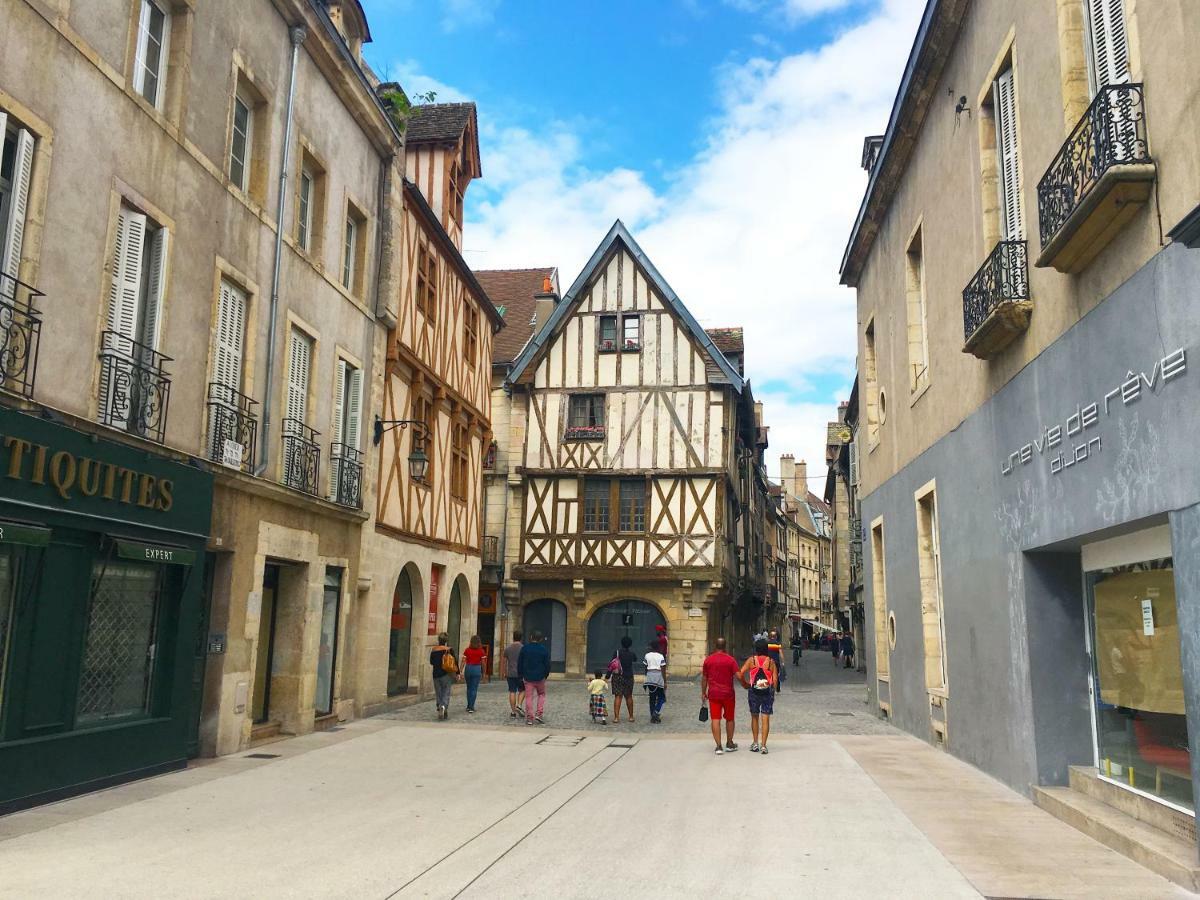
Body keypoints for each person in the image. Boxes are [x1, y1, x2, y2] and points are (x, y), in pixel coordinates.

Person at [701, 637, 740, 755]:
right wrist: (746, 684)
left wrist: (703, 692)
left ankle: (718, 746)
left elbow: (704, 678)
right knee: (730, 718)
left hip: (713, 693)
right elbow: (738, 675)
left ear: (715, 645)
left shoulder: (708, 660)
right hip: (728, 694)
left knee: (715, 719)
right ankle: (729, 743)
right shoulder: (731, 660)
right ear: (725, 646)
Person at [739, 637, 778, 754]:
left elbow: (740, 673)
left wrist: (745, 684)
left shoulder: (752, 660)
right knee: (765, 718)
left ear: (756, 649)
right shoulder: (771, 662)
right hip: (767, 692)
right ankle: (764, 745)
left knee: (754, 717)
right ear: (766, 649)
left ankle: (755, 743)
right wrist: (772, 692)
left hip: (753, 691)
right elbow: (775, 679)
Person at [517, 629, 551, 725]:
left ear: (531, 637)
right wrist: (546, 675)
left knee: (529, 697)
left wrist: (520, 675)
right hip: (540, 677)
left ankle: (529, 717)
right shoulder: (544, 650)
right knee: (541, 695)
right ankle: (539, 714)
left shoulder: (525, 648)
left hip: (528, 677)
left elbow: (520, 663)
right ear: (540, 639)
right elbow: (547, 664)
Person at [429, 633, 457, 720]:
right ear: (446, 641)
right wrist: (458, 673)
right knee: (446, 691)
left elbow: (431, 662)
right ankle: (443, 706)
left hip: (436, 674)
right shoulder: (449, 650)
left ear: (439, 640)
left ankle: (439, 706)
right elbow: (454, 662)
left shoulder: (434, 650)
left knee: (439, 692)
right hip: (446, 674)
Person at [610, 635, 636, 723]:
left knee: (618, 696)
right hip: (628, 676)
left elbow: (612, 665)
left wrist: (607, 676)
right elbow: (635, 659)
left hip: (618, 676)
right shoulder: (632, 653)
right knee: (629, 696)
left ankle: (616, 717)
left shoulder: (617, 653)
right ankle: (631, 716)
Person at [500, 630, 525, 719]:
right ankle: (519, 704)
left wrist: (503, 672)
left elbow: (504, 661)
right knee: (522, 690)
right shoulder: (523, 648)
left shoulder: (508, 648)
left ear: (513, 637)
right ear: (521, 637)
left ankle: (513, 712)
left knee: (512, 691)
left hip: (510, 673)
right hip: (520, 673)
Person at [460, 635, 487, 713]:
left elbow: (463, 661)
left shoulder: (467, 650)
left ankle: (468, 705)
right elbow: (483, 663)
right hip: (476, 669)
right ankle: (472, 707)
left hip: (468, 668)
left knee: (469, 688)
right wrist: (484, 673)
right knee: (474, 688)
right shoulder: (481, 651)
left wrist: (461, 671)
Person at [644, 641, 667, 723]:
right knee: (661, 697)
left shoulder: (647, 655)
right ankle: (656, 711)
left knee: (652, 697)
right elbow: (663, 669)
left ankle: (652, 715)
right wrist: (665, 681)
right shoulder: (661, 656)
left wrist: (646, 678)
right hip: (658, 676)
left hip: (650, 677)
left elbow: (646, 667)